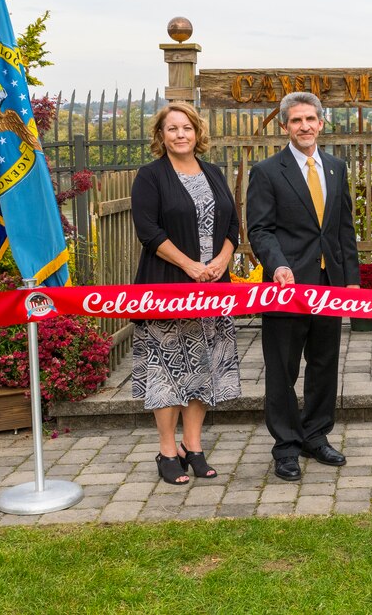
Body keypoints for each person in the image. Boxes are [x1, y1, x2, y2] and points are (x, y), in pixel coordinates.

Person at [247, 91, 360, 481]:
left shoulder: (335, 167)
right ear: (284, 127)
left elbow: (344, 229)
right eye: (296, 121)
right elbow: (260, 229)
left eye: (310, 119)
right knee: (282, 368)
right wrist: (277, 264)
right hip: (286, 287)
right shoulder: (266, 172)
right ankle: (286, 446)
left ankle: (316, 436)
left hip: (328, 285)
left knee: (325, 365)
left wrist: (352, 282)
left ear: (322, 123)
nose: (305, 126)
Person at [131, 102, 241, 486]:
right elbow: (148, 231)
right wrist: (191, 266)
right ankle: (166, 450)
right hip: (167, 287)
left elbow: (233, 228)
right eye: (172, 128)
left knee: (205, 368)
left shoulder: (214, 173)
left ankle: (193, 446)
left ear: (198, 133)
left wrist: (223, 261)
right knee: (168, 368)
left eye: (186, 128)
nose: (180, 135)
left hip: (213, 290)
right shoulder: (150, 176)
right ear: (160, 136)